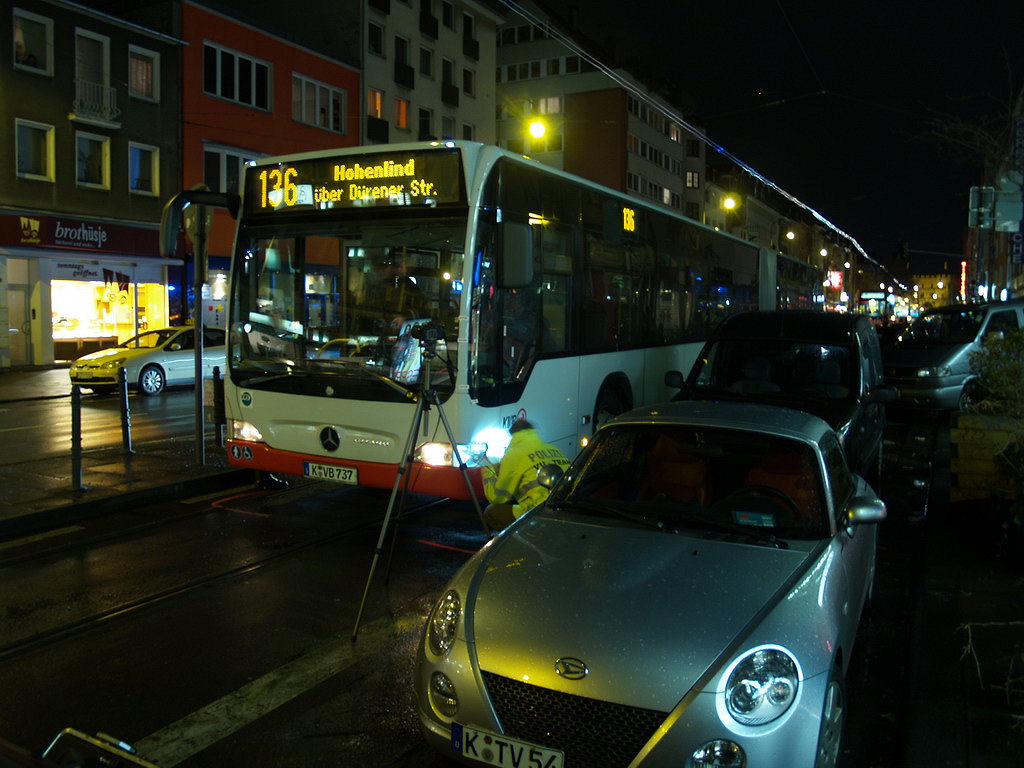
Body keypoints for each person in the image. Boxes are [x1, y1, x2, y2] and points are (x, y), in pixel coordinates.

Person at [482, 418, 571, 530]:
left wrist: (487, 472)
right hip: (569, 508)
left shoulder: (514, 454)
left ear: (513, 436)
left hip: (541, 512)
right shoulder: (554, 449)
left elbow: (498, 498)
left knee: (492, 512)